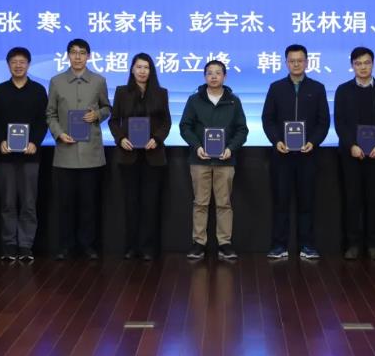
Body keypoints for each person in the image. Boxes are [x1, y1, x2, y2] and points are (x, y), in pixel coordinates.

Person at [261, 44, 330, 260]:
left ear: (307, 62)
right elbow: (268, 119)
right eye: (292, 61)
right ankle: (279, 245)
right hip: (282, 155)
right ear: (286, 63)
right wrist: (276, 141)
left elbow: (323, 122)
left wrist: (313, 142)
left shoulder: (317, 88)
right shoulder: (276, 88)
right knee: (281, 202)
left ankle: (307, 245)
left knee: (307, 202)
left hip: (308, 155)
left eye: (300, 60)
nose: (296, 64)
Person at [46, 38, 110, 260]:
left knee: (88, 204)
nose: (78, 56)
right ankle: (66, 246)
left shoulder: (99, 81)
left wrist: (97, 115)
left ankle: (88, 246)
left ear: (88, 56)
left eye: (82, 53)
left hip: (91, 153)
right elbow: (50, 114)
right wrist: (58, 133)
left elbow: (107, 107)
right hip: (65, 152)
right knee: (65, 204)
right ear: (68, 56)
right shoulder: (56, 81)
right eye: (73, 52)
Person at [179, 60, 249, 261]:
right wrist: (197, 146)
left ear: (224, 76)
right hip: (199, 159)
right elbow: (185, 127)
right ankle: (198, 243)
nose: (214, 76)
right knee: (200, 203)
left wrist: (230, 149)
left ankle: (224, 243)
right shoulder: (194, 100)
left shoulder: (233, 101)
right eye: (210, 73)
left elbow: (242, 130)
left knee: (224, 204)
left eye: (218, 73)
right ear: (205, 76)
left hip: (225, 161)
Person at [334, 46, 375, 260]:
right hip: (350, 154)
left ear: (373, 64)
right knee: (352, 200)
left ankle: (374, 245)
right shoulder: (343, 90)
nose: (363, 67)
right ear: (352, 66)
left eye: (367, 63)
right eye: (358, 63)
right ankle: (352, 244)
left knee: (374, 201)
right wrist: (351, 145)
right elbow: (340, 122)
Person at [108, 53, 171, 260]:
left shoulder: (161, 93)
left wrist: (157, 139)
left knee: (150, 203)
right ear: (132, 69)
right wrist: (120, 139)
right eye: (139, 67)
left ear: (151, 71)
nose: (142, 71)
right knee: (131, 203)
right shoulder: (122, 92)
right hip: (128, 155)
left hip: (153, 155)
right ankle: (131, 246)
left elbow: (166, 122)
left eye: (146, 67)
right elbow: (113, 121)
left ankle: (147, 248)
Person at [0, 47, 48, 262]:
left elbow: (43, 121)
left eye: (22, 62)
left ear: (28, 64)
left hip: (30, 156)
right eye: (14, 62)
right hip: (6, 156)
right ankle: (9, 245)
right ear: (8, 65)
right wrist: (1, 141)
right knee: (7, 203)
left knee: (28, 203)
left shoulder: (38, 90)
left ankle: (25, 245)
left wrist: (34, 142)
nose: (18, 65)